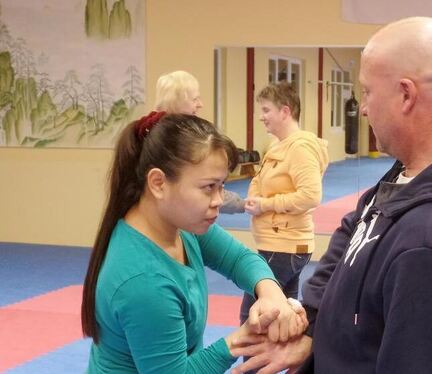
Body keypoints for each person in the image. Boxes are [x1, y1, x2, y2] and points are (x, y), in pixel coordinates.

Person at [231, 17, 432, 373]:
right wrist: (315, 327)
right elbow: (355, 227)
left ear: (405, 95)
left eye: (367, 92)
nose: (363, 108)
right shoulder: (419, 168)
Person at [81, 113, 306, 373]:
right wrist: (239, 341)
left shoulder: (179, 224)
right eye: (208, 187)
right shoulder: (145, 282)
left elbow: (239, 259)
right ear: (158, 183)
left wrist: (272, 295)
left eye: (222, 186)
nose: (219, 199)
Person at [240, 83, 329, 329]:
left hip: (283, 247)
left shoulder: (300, 148)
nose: (261, 117)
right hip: (277, 245)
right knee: (280, 319)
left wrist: (266, 204)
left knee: (252, 320)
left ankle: (251, 369)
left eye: (266, 110)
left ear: (285, 111)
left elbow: (311, 195)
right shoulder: (279, 146)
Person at [155, 70, 245, 214]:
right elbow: (203, 189)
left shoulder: (165, 133)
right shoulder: (171, 142)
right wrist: (243, 204)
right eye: (195, 99)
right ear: (177, 100)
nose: (200, 104)